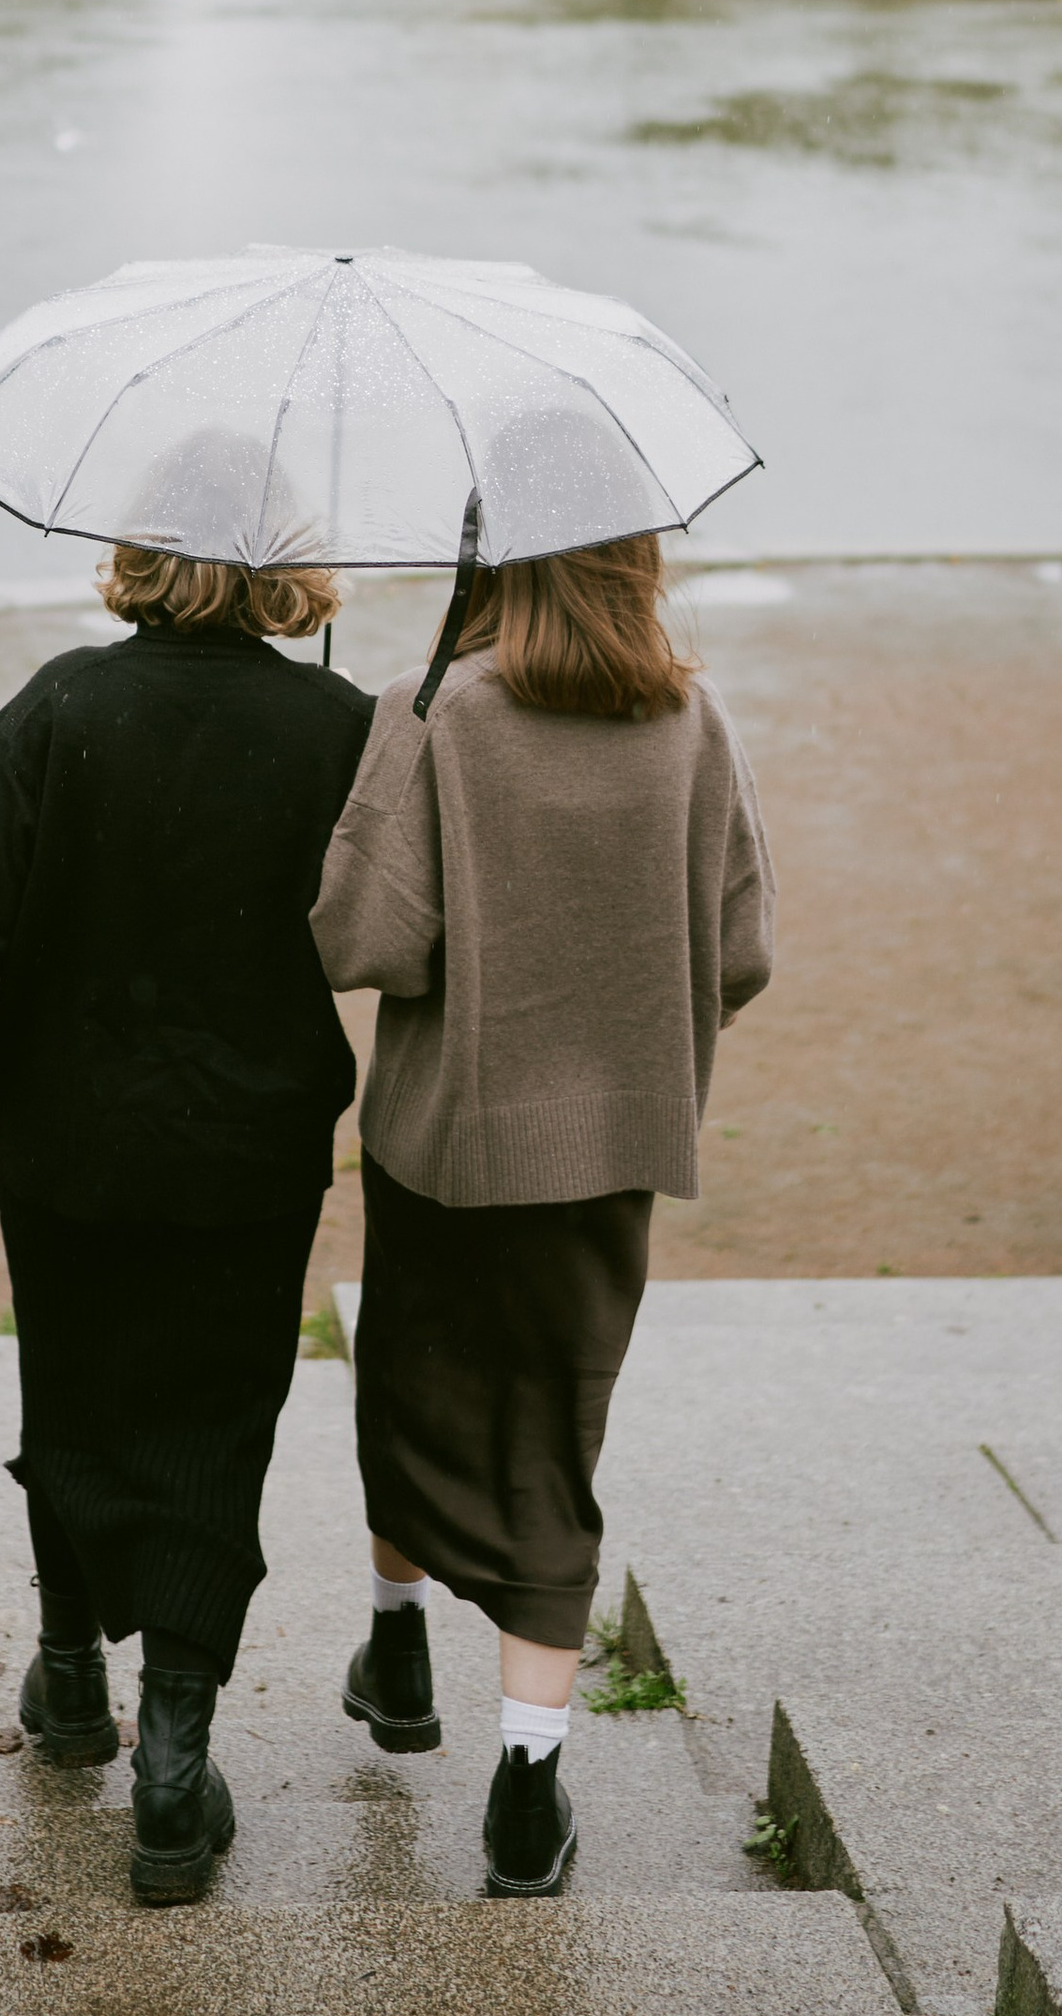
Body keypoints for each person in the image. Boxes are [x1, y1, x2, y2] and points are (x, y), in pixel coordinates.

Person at [0, 478, 372, 1907]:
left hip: (66, 1129)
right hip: (250, 1146)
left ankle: (68, 1681)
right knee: (217, 1421)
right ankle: (171, 1765)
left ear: (138, 559)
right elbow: (383, 938)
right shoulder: (346, 726)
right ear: (282, 572)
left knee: (75, 1392)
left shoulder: (58, 705)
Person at [311, 528, 773, 1900]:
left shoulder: (438, 707)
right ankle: (527, 1787)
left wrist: (380, 779)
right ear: (634, 560)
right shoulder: (693, 719)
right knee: (550, 1442)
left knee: (412, 1390)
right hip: (613, 1151)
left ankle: (398, 1640)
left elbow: (361, 942)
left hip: (446, 1140)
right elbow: (742, 950)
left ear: (489, 555)